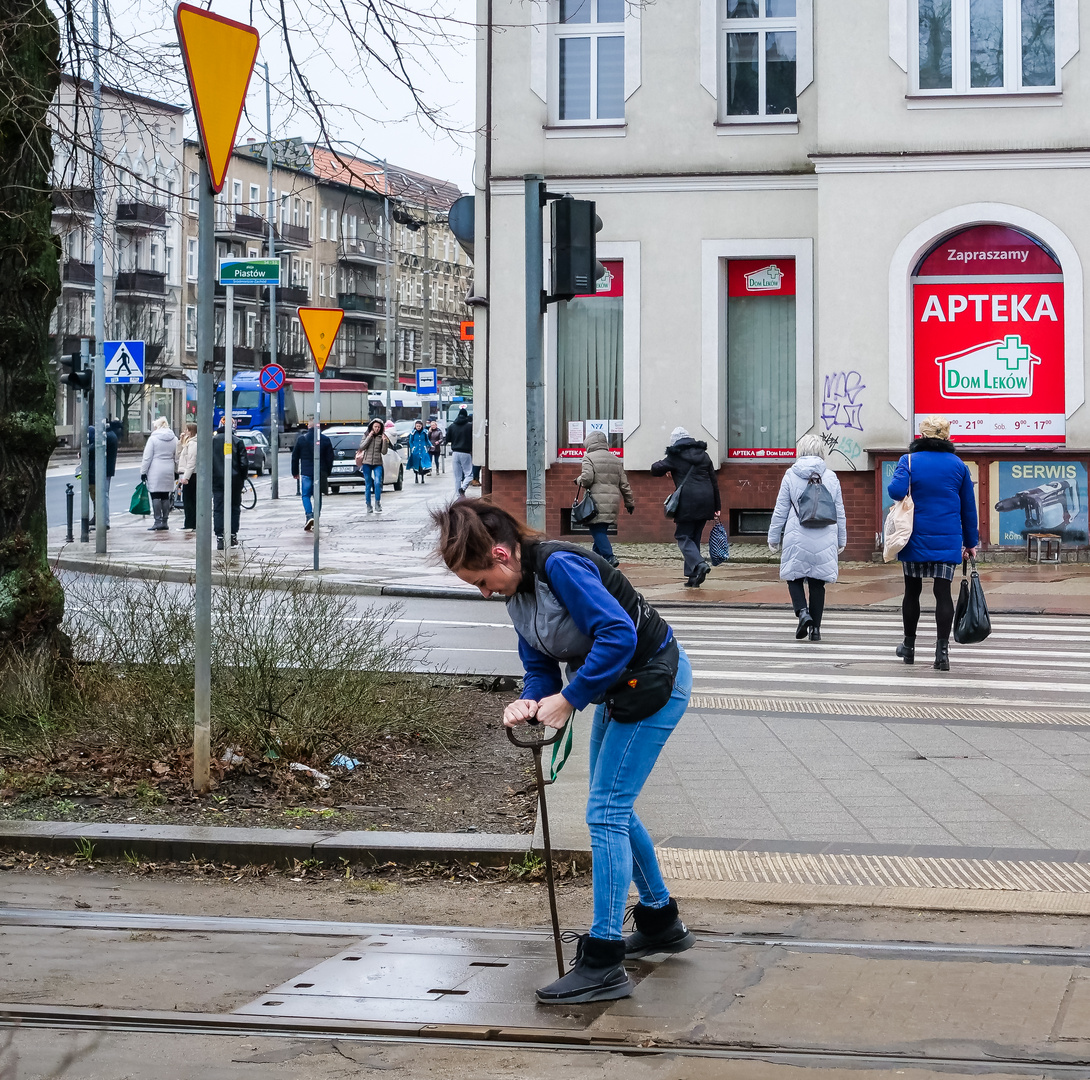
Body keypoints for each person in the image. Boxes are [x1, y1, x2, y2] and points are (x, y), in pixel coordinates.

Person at [432, 499, 695, 1003]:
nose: (485, 593)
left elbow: (618, 634)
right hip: (625, 688)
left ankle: (604, 962)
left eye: (482, 581)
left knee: (606, 811)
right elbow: (539, 669)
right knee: (612, 803)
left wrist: (570, 700)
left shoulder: (560, 566)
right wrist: (529, 702)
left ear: (502, 555)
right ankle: (661, 922)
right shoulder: (517, 596)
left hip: (655, 682)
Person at [887, 414, 979, 672]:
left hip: (914, 538)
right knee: (942, 594)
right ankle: (942, 653)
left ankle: (909, 647)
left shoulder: (910, 461)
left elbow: (895, 491)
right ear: (947, 436)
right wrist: (970, 542)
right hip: (947, 539)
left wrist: (903, 475)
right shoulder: (959, 465)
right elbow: (968, 509)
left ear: (923, 435)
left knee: (912, 592)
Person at [767, 433, 847, 643]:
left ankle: (802, 612)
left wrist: (773, 537)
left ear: (800, 451)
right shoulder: (831, 477)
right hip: (825, 534)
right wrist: (841, 539)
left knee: (793, 577)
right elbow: (839, 511)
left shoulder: (790, 475)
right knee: (817, 583)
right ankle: (816, 630)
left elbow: (781, 509)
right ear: (821, 451)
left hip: (797, 534)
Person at [651, 427, 722, 588]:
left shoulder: (675, 456)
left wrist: (668, 464)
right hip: (707, 501)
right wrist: (717, 506)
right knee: (694, 537)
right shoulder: (704, 455)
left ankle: (699, 564)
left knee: (683, 536)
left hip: (688, 501)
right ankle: (692, 576)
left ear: (674, 442)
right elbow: (714, 481)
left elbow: (655, 469)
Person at [576, 430, 634, 568]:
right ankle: (593, 563)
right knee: (600, 531)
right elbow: (624, 485)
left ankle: (609, 557)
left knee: (598, 531)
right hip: (613, 502)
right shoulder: (615, 460)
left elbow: (587, 479)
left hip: (596, 502)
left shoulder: (588, 458)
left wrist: (578, 480)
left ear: (589, 443)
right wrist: (629, 502)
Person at [291, 420, 334, 530]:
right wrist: (327, 471)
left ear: (308, 426)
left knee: (305, 495)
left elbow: (295, 457)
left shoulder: (301, 439)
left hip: (306, 472)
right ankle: (316, 518)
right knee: (317, 495)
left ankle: (309, 515)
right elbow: (330, 458)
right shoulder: (325, 439)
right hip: (320, 472)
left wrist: (295, 472)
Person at [213, 417, 248, 549]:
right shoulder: (238, 441)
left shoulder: (212, 441)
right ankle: (232, 535)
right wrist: (243, 477)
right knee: (234, 507)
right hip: (235, 481)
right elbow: (243, 463)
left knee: (218, 508)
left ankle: (220, 537)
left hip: (217, 480)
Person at [140, 417, 179, 533]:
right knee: (165, 495)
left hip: (155, 468)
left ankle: (157, 521)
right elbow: (177, 457)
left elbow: (147, 457)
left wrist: (143, 472)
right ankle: (165, 521)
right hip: (169, 468)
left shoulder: (153, 439)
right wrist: (176, 471)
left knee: (155, 494)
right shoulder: (174, 439)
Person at [86, 420, 119, 529]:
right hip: (107, 470)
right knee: (103, 495)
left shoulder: (106, 436)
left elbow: (95, 448)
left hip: (103, 469)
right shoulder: (112, 435)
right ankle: (102, 521)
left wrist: (85, 451)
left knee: (102, 496)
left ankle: (103, 522)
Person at [354, 418, 390, 513]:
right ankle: (368, 505)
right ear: (371, 427)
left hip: (378, 462)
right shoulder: (366, 435)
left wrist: (385, 442)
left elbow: (384, 452)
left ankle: (377, 503)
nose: (377, 428)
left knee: (378, 482)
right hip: (367, 462)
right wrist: (369, 437)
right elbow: (362, 447)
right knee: (368, 484)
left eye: (379, 427)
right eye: (375, 427)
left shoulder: (382, 437)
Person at [444, 406, 474, 495]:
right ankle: (463, 488)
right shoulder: (470, 426)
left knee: (457, 477)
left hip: (455, 453)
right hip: (466, 453)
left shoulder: (452, 426)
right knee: (469, 474)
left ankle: (458, 496)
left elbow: (447, 439)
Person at [177, 422, 198, 531]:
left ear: (191, 431)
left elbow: (191, 461)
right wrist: (180, 442)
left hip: (192, 475)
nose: (185, 431)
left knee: (189, 500)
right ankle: (190, 523)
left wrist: (186, 477)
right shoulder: (189, 443)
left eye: (187, 430)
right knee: (189, 500)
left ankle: (190, 524)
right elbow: (178, 454)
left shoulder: (193, 444)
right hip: (189, 474)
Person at [406, 419, 431, 485]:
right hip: (416, 451)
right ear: (415, 426)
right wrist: (413, 447)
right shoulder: (413, 433)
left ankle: (422, 477)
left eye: (419, 426)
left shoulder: (425, 432)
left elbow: (427, 440)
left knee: (423, 464)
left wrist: (430, 445)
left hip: (423, 450)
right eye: (417, 426)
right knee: (415, 464)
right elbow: (410, 441)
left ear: (421, 426)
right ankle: (416, 477)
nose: (418, 427)